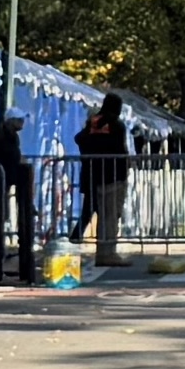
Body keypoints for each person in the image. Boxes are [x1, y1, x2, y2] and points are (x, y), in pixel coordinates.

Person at [0, 99, 36, 290]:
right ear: (11, 121)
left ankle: (2, 265)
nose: (22, 123)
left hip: (6, 182)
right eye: (19, 120)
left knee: (1, 221)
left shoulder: (11, 136)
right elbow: (4, 157)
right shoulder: (1, 138)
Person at [75, 92, 129, 271]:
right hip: (113, 175)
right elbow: (121, 150)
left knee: (94, 214)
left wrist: (88, 155)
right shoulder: (117, 125)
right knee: (111, 216)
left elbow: (79, 138)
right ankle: (108, 253)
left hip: (93, 174)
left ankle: (99, 251)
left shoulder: (94, 122)